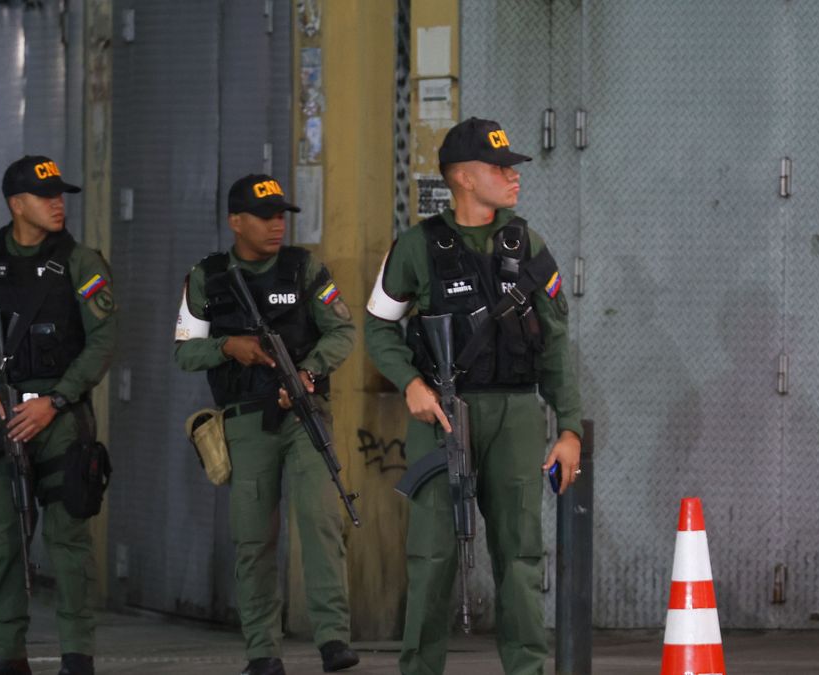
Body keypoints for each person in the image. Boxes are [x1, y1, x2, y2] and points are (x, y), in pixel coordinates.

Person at [364, 117, 583, 675]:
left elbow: (555, 343)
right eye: (499, 168)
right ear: (462, 177)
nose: (513, 177)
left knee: (520, 558)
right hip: (441, 413)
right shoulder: (417, 246)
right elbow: (378, 328)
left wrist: (570, 429)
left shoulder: (526, 243)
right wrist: (410, 383)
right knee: (432, 558)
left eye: (512, 168)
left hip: (515, 414)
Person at [0, 155, 116, 675]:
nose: (58, 203)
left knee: (68, 540)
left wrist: (56, 401)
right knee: (3, 537)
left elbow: (103, 341)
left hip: (60, 419)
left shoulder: (82, 264)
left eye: (61, 195)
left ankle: (77, 655)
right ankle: (6, 654)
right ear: (17, 204)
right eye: (46, 196)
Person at [174, 174, 360, 675]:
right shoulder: (206, 277)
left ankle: (333, 639)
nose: (277, 225)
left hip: (304, 415)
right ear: (236, 221)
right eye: (265, 216)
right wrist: (227, 347)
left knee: (322, 521)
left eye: (282, 216)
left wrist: (308, 371)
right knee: (253, 539)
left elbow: (342, 330)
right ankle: (262, 651)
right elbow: (184, 351)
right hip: (247, 421)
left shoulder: (304, 269)